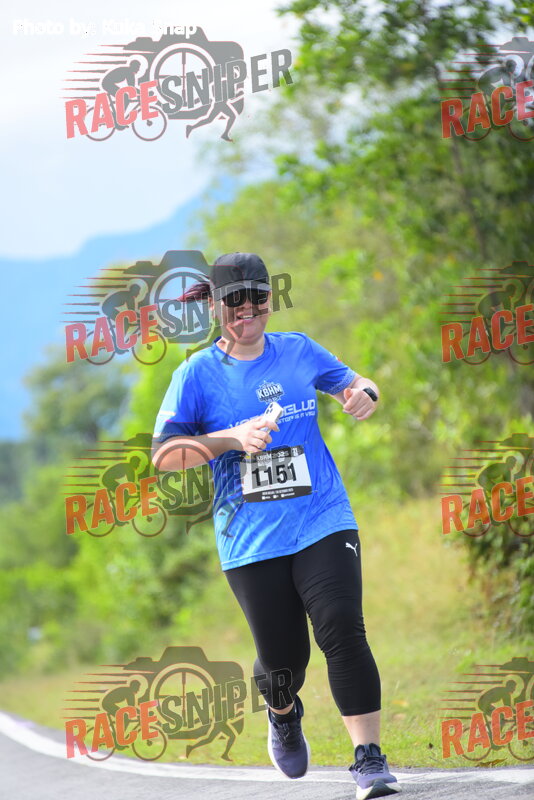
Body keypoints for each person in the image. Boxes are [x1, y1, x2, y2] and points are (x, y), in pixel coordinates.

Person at [151, 252, 400, 800]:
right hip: (251, 539)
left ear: (270, 297)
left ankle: (369, 759)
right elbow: (164, 456)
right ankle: (282, 712)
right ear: (215, 306)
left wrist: (366, 395)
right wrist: (230, 440)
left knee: (341, 626)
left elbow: (358, 384)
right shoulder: (196, 374)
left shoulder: (299, 350)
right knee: (285, 660)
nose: (248, 309)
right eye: (235, 300)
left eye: (258, 297)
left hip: (322, 517)